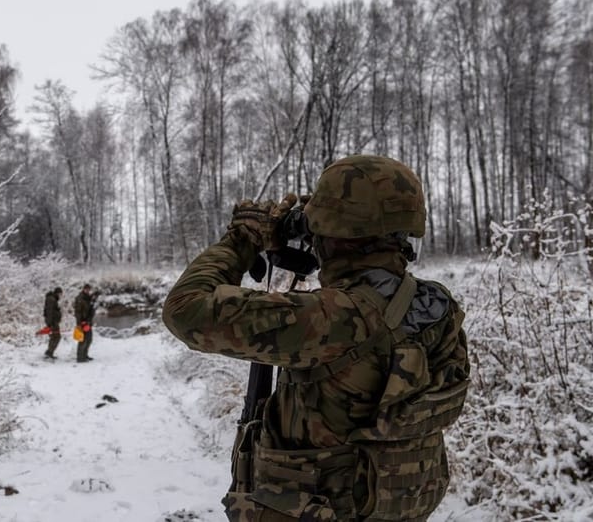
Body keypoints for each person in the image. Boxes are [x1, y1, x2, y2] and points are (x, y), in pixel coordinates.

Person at [162, 155, 470, 521]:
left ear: (337, 231)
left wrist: (240, 241)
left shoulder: (331, 319)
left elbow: (184, 309)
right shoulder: (438, 306)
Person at [73, 284, 97, 362]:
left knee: (89, 339)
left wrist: (94, 297)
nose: (87, 291)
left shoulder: (88, 298)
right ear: (83, 289)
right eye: (86, 289)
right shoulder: (80, 298)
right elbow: (78, 312)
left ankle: (85, 355)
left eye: (88, 289)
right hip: (82, 322)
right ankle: (80, 357)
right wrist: (80, 323)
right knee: (83, 340)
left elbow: (90, 307)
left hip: (88, 322)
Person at [43, 287, 63, 359]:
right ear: (56, 293)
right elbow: (49, 312)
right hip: (53, 323)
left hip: (54, 322)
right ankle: (49, 352)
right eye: (60, 294)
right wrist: (50, 324)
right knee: (56, 337)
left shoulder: (53, 299)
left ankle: (49, 352)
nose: (60, 296)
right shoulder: (51, 300)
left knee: (54, 337)